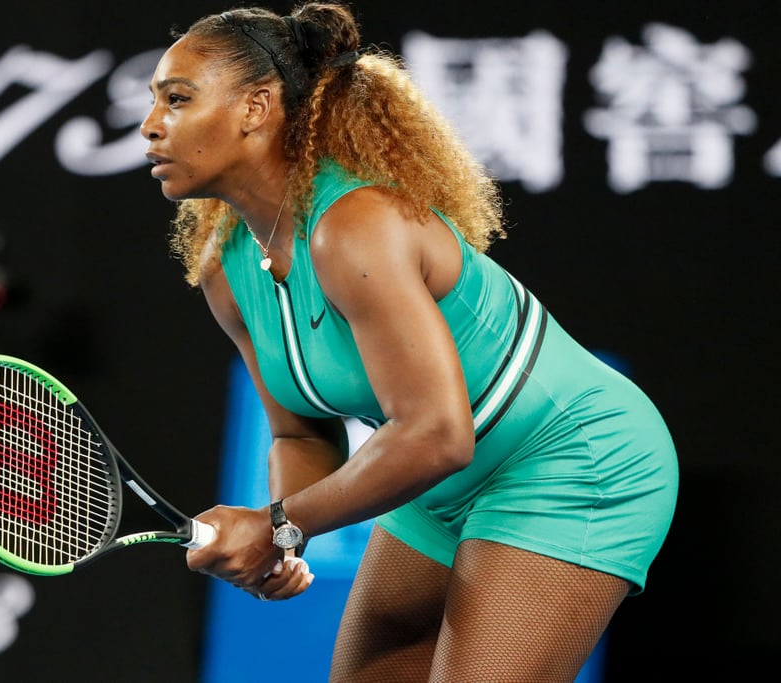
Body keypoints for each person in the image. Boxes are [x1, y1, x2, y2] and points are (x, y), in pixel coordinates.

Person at [141, 3, 678, 681]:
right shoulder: (228, 267)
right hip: (443, 485)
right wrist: (280, 537)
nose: (150, 125)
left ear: (257, 106)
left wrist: (279, 521)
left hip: (571, 460)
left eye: (177, 99)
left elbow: (437, 432)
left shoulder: (353, 225)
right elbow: (301, 436)